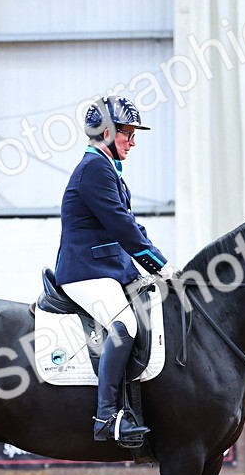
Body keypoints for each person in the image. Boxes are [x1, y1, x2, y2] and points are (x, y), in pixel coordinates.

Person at [55, 95, 175, 444]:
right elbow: (122, 226)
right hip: (84, 271)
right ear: (107, 131)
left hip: (108, 268)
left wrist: (159, 265)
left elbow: (131, 226)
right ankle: (106, 416)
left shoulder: (108, 169)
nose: (133, 142)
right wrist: (161, 267)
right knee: (123, 323)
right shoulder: (94, 169)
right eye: (128, 134)